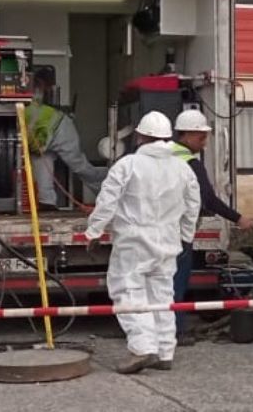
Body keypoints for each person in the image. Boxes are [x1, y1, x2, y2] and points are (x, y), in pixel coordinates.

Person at [85, 111, 200, 374]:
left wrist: (94, 231)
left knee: (128, 292)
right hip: (168, 241)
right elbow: (193, 205)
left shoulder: (127, 165)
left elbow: (107, 202)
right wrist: (185, 236)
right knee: (162, 295)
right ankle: (164, 351)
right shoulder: (183, 167)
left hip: (134, 242)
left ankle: (143, 347)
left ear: (140, 136)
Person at [168, 109, 253, 345]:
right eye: (201, 137)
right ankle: (176, 332)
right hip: (178, 234)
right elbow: (208, 199)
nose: (205, 143)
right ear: (185, 135)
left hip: (156, 231)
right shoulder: (190, 164)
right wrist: (238, 218)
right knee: (176, 284)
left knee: (156, 284)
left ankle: (154, 332)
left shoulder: (162, 156)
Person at [25, 69, 107, 210]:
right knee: (41, 165)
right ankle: (47, 202)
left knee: (79, 167)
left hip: (59, 129)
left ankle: (108, 183)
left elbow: (33, 117)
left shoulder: (32, 93)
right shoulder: (34, 92)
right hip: (47, 135)